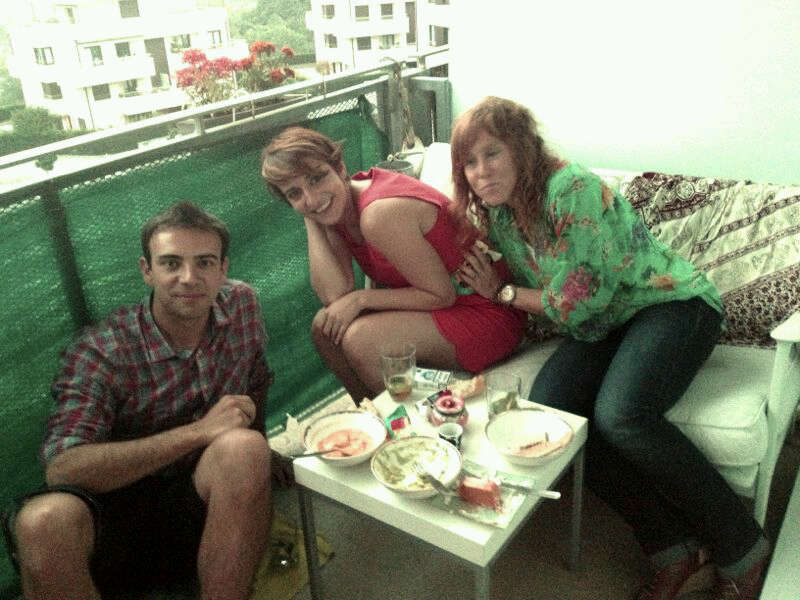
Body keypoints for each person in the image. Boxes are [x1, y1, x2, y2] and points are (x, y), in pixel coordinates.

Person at [449, 97, 770, 600]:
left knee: (621, 415)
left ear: (522, 149)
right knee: (555, 416)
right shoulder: (502, 217)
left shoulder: (571, 189)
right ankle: (674, 548)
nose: (481, 172)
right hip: (607, 321)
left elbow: (576, 301)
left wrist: (504, 293)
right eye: (469, 162)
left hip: (669, 302)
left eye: (492, 154)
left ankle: (743, 546)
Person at [2, 202, 273, 600]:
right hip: (110, 516)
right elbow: (63, 467)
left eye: (204, 262)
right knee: (42, 521)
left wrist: (266, 452)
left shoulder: (241, 304)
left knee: (246, 448)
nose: (189, 278)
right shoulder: (103, 350)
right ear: (147, 270)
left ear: (223, 269)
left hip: (195, 495)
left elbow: (257, 378)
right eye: (171, 263)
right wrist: (198, 432)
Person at [260, 127, 526, 402]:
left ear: (340, 168)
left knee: (361, 340)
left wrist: (361, 299)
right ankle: (375, 417)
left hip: (486, 311)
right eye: (294, 193)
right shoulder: (334, 210)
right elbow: (335, 296)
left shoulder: (378, 213)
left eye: (317, 178)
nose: (312, 197)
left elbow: (441, 295)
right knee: (324, 329)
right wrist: (311, 216)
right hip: (445, 307)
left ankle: (407, 423)